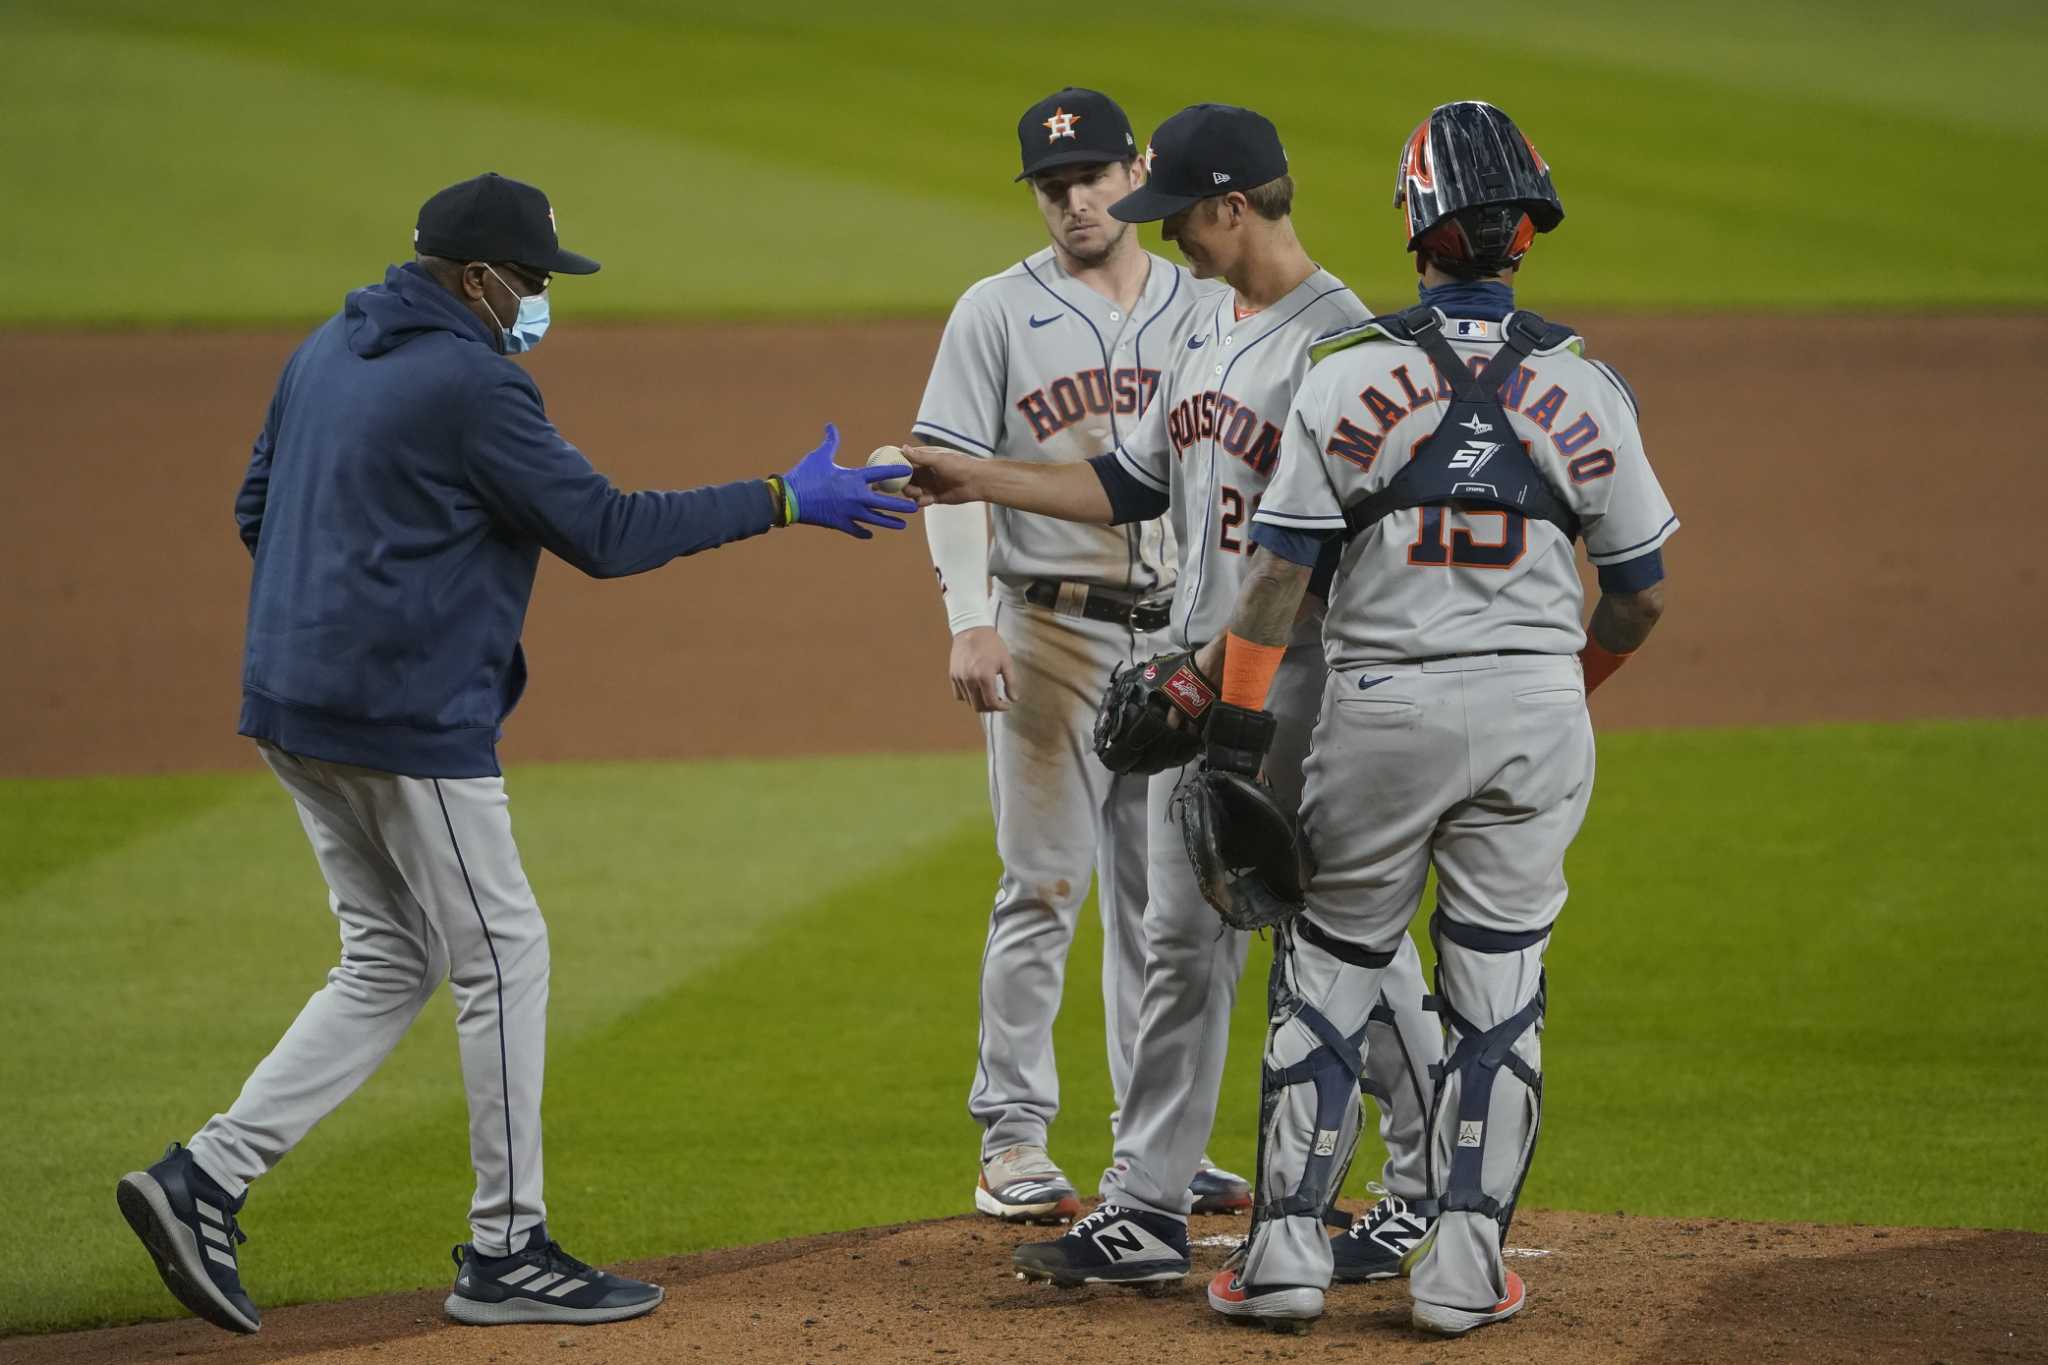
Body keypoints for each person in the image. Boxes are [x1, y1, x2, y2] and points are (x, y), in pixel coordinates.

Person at [114, 172, 914, 1335]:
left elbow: (257, 509)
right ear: (475, 276)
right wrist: (782, 498)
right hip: (404, 724)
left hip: (291, 706)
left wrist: (354, 595)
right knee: (504, 954)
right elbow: (606, 531)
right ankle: (507, 1251)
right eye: (532, 279)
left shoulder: (325, 350)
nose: (540, 299)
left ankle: (203, 1181)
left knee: (390, 960)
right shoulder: (476, 386)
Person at [903, 104, 1441, 1290]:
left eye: (1174, 217)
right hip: (1196, 681)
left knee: (1333, 929)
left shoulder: (1341, 343)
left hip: (1294, 686)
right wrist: (974, 474)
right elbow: (1128, 480)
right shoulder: (1209, 330)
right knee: (1177, 941)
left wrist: (1224, 680)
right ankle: (1145, 1206)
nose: (1161, 238)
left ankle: (1428, 1181)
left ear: (1231, 207)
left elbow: (1347, 552)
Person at [1196, 102, 1676, 1334]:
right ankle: (1463, 1277)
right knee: (1497, 984)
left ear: (1416, 228)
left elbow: (1273, 579)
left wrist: (1235, 735)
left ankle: (1284, 1263)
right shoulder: (1586, 385)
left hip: (1379, 710)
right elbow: (1638, 598)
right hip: (1533, 709)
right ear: (1524, 233)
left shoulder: (1345, 369)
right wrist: (1567, 686)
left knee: (1330, 971)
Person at [913, 87, 1252, 1225]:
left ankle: (1155, 1149)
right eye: (1052, 187)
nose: (1072, 202)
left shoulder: (1205, 305)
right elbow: (943, 470)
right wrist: (967, 614)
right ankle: (1011, 1140)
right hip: (1048, 629)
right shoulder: (994, 313)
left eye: (1091, 178)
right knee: (1042, 885)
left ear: (1133, 172)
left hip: (1175, 640)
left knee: (1165, 907)